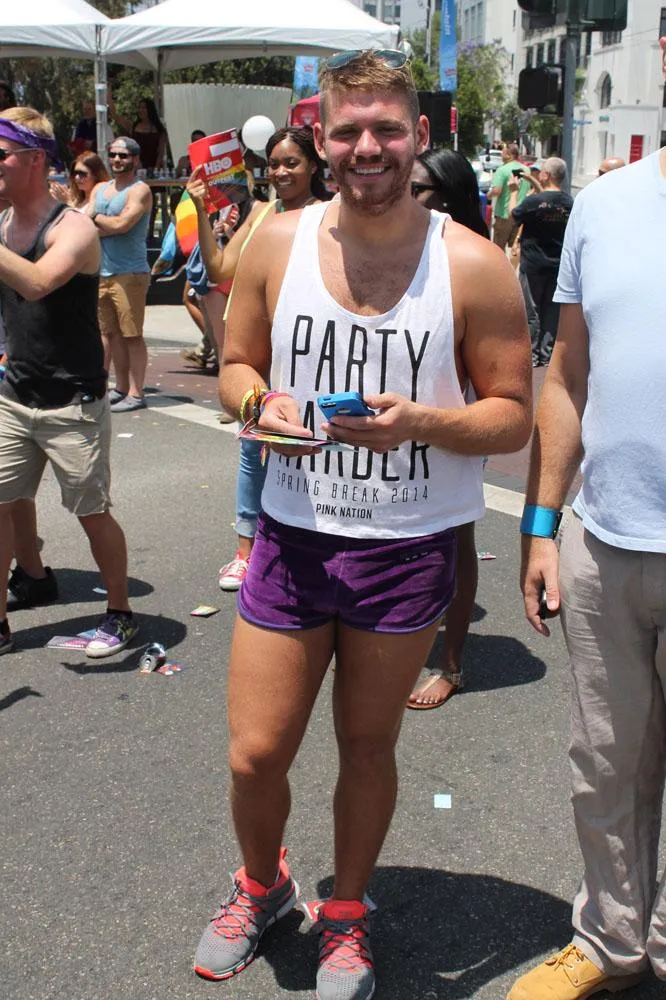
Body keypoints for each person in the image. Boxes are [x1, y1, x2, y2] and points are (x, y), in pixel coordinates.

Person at [192, 51, 532, 1000]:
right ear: (322, 140)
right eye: (348, 131)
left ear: (418, 135)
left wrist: (420, 422)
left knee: (367, 748)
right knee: (256, 753)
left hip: (406, 545)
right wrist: (260, 406)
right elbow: (235, 366)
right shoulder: (277, 242)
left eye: (386, 127)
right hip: (292, 538)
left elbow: (513, 414)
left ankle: (346, 914)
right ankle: (262, 885)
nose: (367, 147)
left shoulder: (472, 263)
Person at [509, 45, 666, 1000]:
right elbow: (566, 376)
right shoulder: (603, 207)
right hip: (604, 541)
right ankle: (612, 941)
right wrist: (540, 525)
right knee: (604, 763)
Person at [0, 106, 138, 657]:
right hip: (14, 395)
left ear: (34, 159)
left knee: (91, 511)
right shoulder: (4, 225)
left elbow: (36, 282)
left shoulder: (74, 228)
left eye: (0, 154)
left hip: (72, 401)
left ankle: (121, 611)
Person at [188, 125, 330, 591]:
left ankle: (309, 542)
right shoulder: (263, 213)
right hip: (254, 344)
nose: (281, 172)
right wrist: (201, 211)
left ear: (313, 165)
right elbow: (218, 268)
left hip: (304, 346)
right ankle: (246, 551)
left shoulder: (329, 215)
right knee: (254, 446)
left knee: (308, 440)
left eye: (292, 162)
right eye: (274, 164)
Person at [407, 147, 488, 710]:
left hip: (458, 422)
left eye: (419, 189)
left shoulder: (475, 260)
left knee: (454, 539)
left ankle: (451, 663)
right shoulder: (398, 247)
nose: (406, 197)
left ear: (449, 197)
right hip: (394, 420)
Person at [90, 136, 152, 413]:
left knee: (132, 335)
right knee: (109, 335)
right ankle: (120, 388)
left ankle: (137, 394)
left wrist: (95, 219)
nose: (117, 159)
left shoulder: (140, 190)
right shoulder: (100, 188)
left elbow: (122, 225)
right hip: (102, 272)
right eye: (113, 154)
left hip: (130, 273)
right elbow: (93, 223)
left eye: (123, 155)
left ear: (135, 160)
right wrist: (105, 224)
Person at [510, 156, 572, 368]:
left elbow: (513, 214)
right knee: (551, 311)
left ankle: (533, 355)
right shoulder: (570, 203)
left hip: (533, 265)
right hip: (558, 265)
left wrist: (514, 191)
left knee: (532, 311)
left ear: (545, 175)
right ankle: (546, 355)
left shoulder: (533, 202)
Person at [107, 94, 169, 172]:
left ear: (150, 110)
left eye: (143, 108)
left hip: (153, 168)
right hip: (136, 168)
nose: (140, 110)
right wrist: (109, 98)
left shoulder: (159, 130)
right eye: (139, 107)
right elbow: (115, 116)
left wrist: (155, 169)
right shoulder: (133, 126)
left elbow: (160, 153)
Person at [489, 142, 528, 251]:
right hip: (521, 215)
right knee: (515, 249)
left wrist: (488, 195)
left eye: (503, 153)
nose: (501, 155)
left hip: (504, 215)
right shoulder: (526, 170)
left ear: (509, 155)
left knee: (498, 249)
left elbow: (497, 191)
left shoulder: (502, 170)